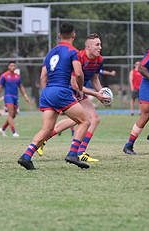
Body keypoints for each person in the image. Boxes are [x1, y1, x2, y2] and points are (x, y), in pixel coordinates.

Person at [17, 22, 90, 170]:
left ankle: (26, 156)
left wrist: (47, 94)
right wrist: (80, 89)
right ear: (74, 35)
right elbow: (78, 73)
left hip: (48, 91)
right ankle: (72, 153)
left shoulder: (51, 52)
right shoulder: (72, 51)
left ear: (59, 36)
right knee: (84, 121)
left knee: (47, 129)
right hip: (61, 90)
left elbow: (43, 76)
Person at [36, 33, 111, 162]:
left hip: (80, 92)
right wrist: (96, 94)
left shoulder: (99, 60)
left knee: (89, 119)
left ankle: (47, 141)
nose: (100, 47)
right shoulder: (79, 57)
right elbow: (74, 84)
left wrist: (102, 93)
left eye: (100, 44)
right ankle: (78, 151)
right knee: (86, 119)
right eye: (97, 45)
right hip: (68, 90)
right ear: (88, 46)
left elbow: (95, 79)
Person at [0, 61, 31, 137]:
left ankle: (2, 128)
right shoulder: (4, 75)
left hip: (15, 97)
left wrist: (25, 96)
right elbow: (0, 86)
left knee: (13, 115)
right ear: (8, 67)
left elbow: (21, 86)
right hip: (8, 96)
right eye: (11, 65)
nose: (13, 67)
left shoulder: (17, 76)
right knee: (10, 114)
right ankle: (14, 132)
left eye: (14, 66)